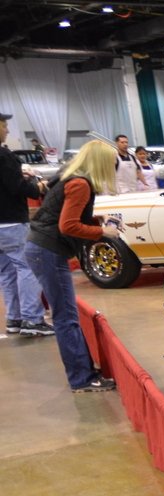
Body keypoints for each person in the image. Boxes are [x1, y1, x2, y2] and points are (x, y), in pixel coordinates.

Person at [23, 140, 120, 392]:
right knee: (66, 317)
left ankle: (83, 374)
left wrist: (98, 220)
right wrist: (103, 232)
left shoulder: (69, 178)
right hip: (49, 251)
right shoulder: (80, 184)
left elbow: (62, 217)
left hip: (42, 248)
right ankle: (82, 379)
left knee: (66, 315)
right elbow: (68, 226)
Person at [0, 111, 52, 337]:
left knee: (7, 273)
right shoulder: (4, 156)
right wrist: (38, 187)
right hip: (11, 222)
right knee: (27, 268)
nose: (7, 130)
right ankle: (32, 319)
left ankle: (14, 318)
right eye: (4, 125)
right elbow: (17, 188)